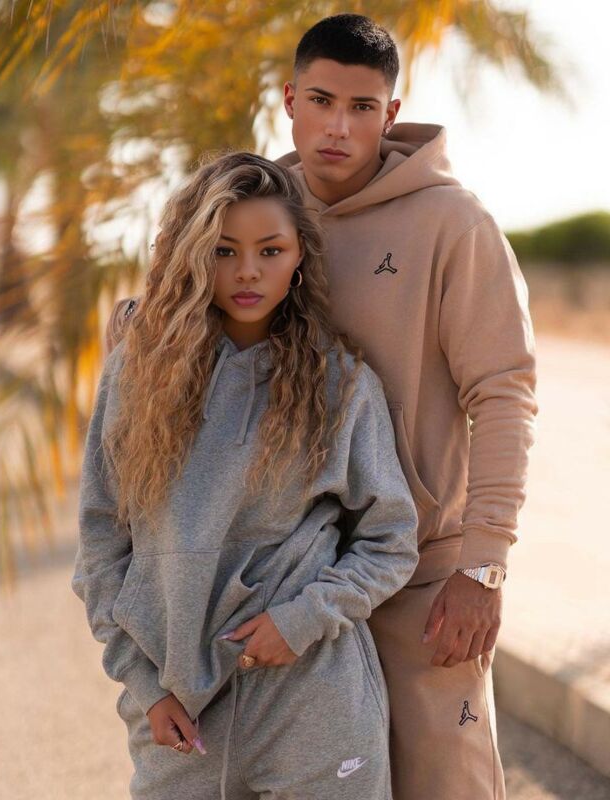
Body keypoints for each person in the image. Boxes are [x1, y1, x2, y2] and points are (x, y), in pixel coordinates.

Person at [73, 151, 419, 800]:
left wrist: (304, 618)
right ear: (192, 255)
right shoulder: (136, 375)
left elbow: (391, 540)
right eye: (224, 251)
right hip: (180, 715)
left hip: (313, 700)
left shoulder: (341, 385)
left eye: (270, 250)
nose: (248, 271)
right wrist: (145, 689)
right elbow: (99, 548)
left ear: (299, 256)